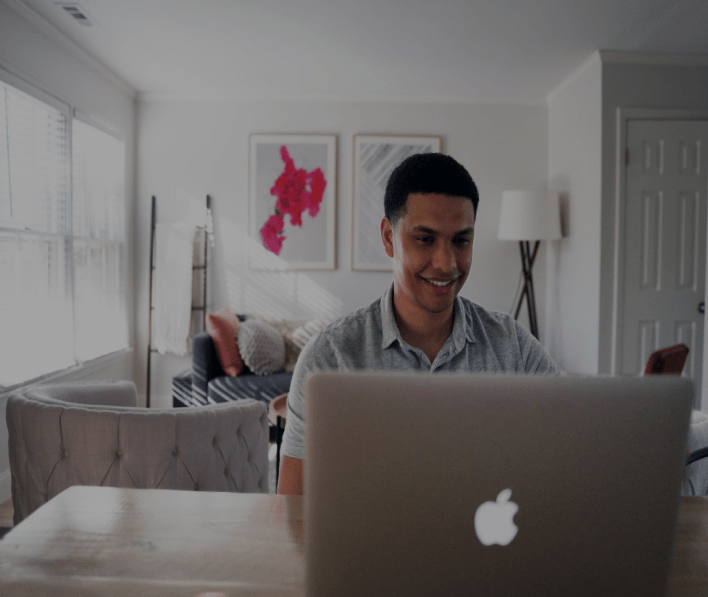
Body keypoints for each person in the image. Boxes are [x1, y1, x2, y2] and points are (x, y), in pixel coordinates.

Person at [278, 153, 561, 495]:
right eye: (425, 239)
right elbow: (290, 508)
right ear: (388, 237)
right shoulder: (330, 356)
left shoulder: (513, 347)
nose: (446, 263)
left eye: (461, 240)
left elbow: (570, 453)